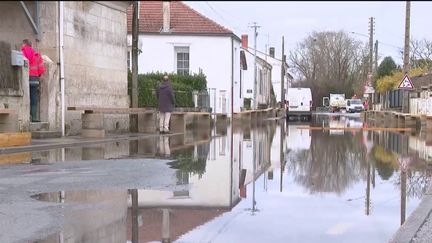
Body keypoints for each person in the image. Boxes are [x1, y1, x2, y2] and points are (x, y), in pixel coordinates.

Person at [21, 39, 45, 122]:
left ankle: (26, 117)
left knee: (25, 97)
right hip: (34, 79)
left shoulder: (22, 53)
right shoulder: (37, 55)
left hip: (25, 79)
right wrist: (37, 75)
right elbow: (41, 69)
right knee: (34, 97)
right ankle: (34, 117)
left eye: (22, 44)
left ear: (25, 44)